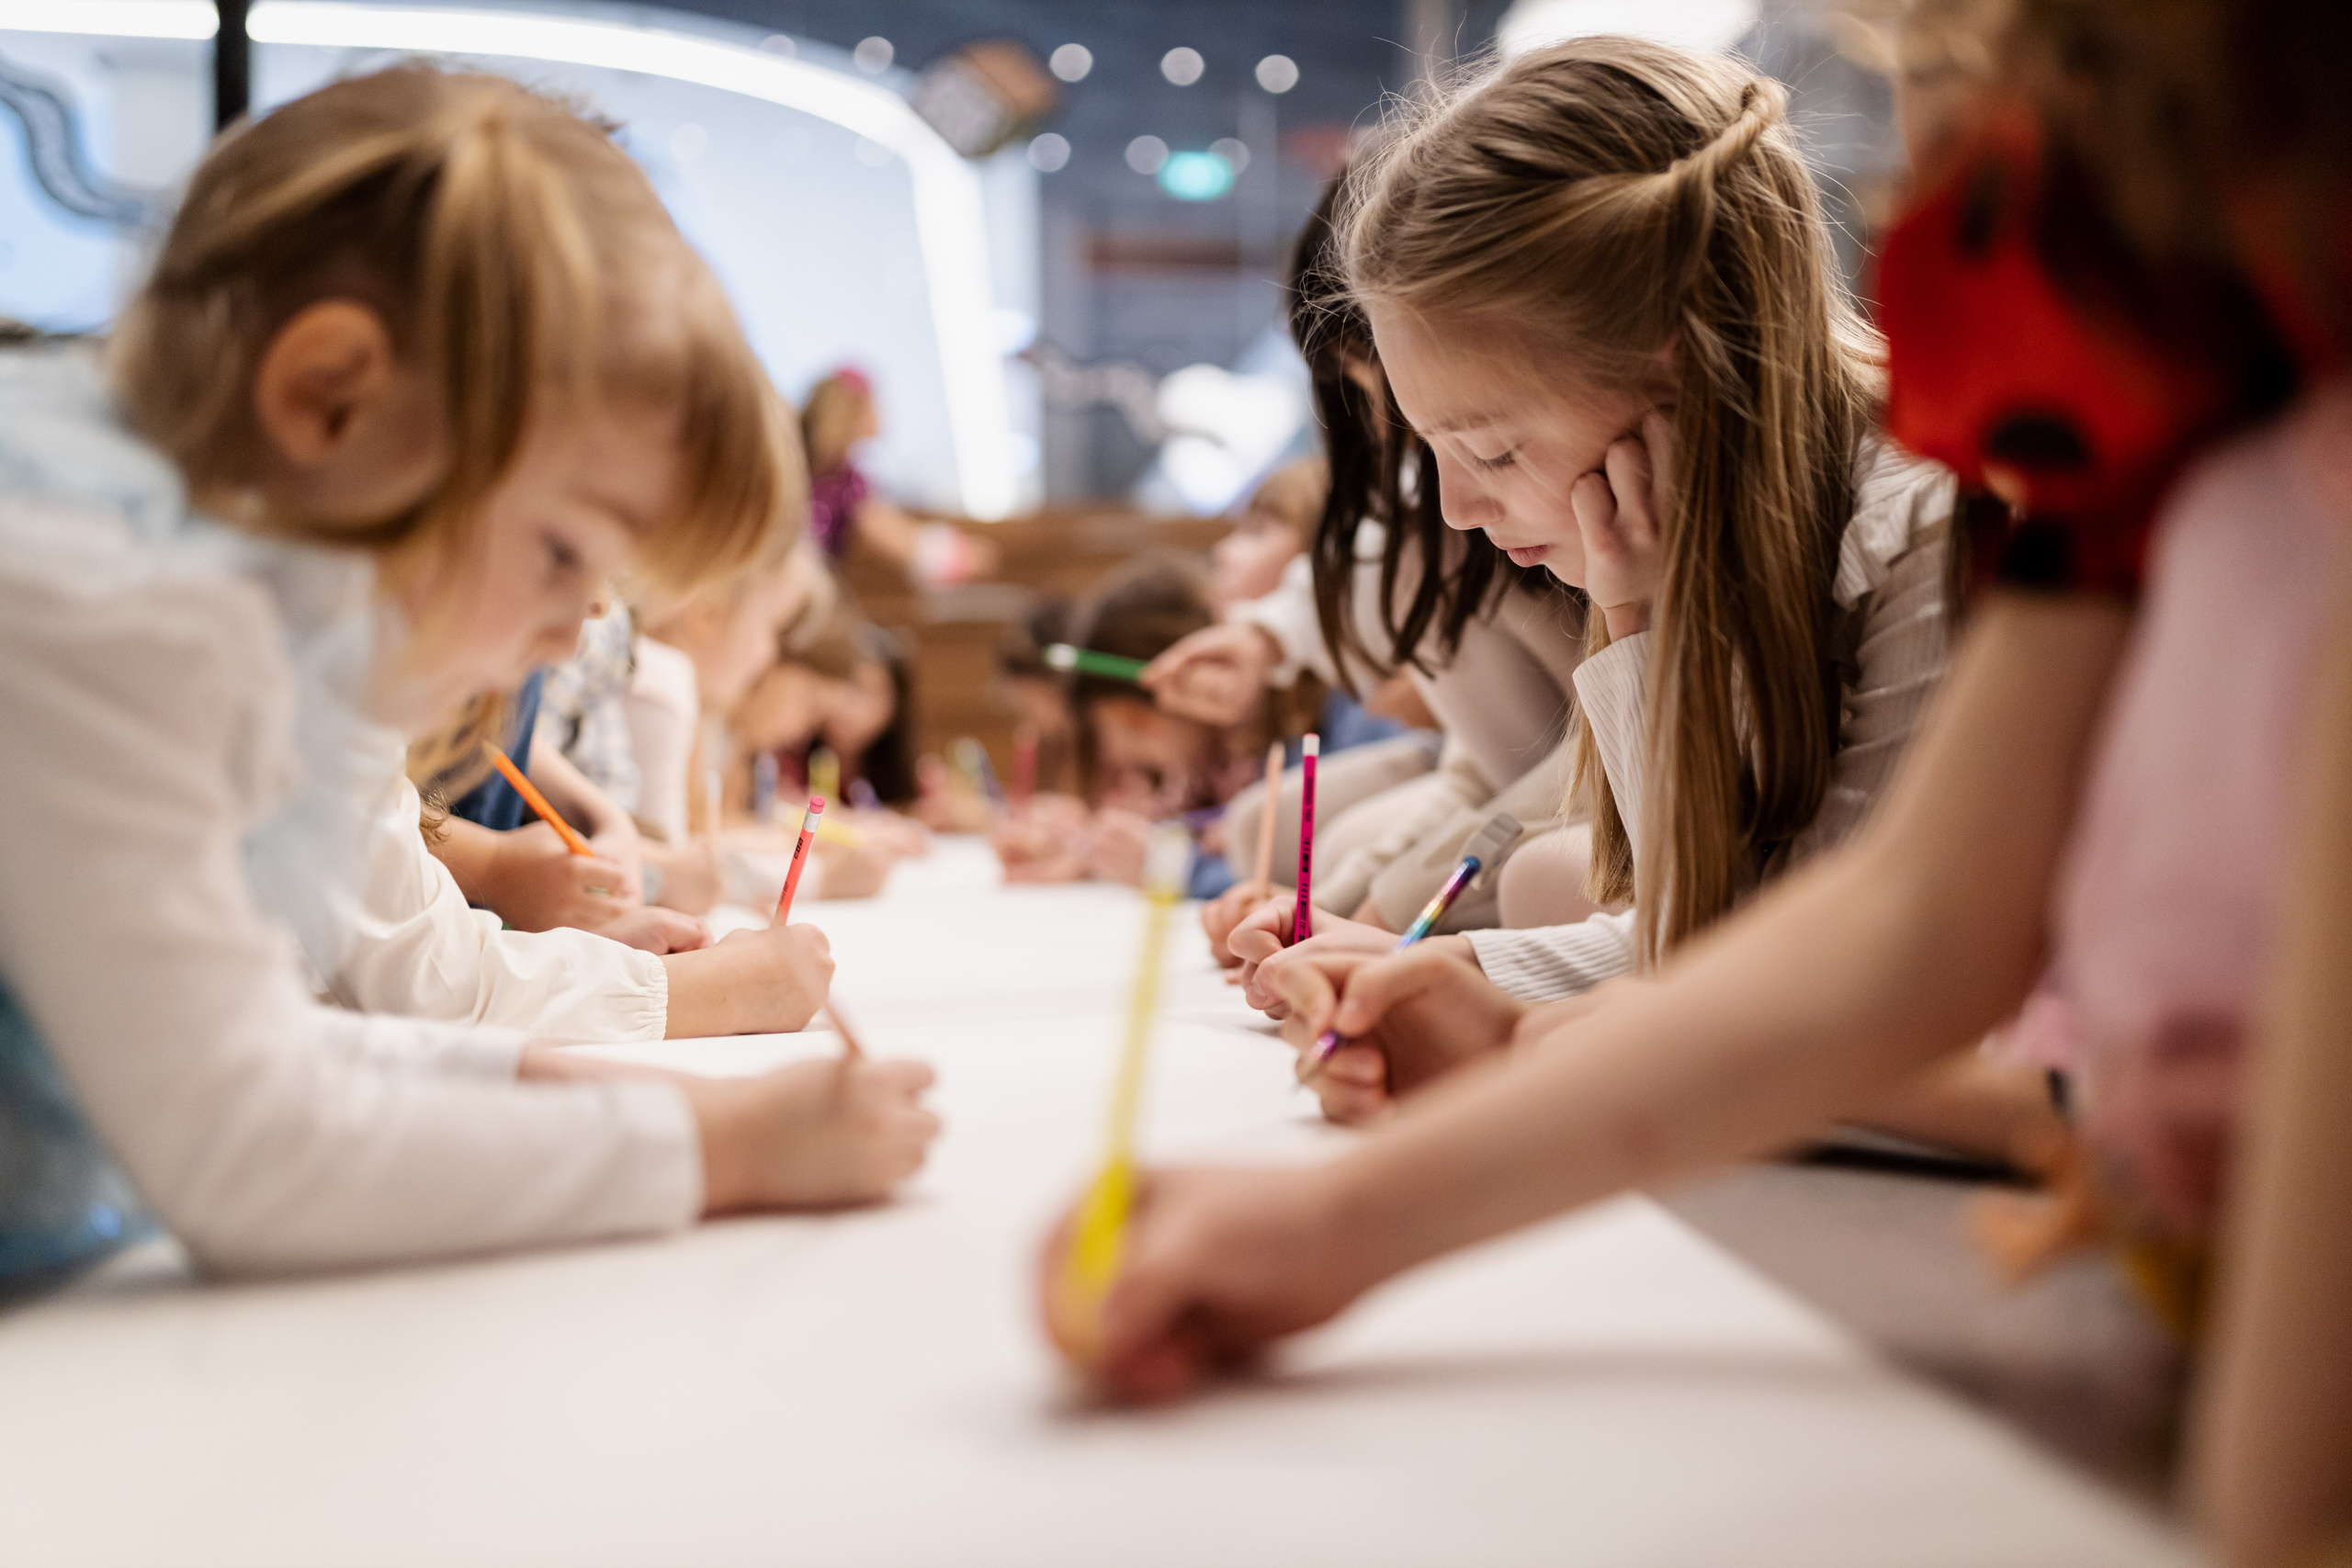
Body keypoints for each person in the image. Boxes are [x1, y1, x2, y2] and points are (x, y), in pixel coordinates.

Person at [1034, 33, 2098, 1395]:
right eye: (1434, 455)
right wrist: (1482, 980)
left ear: (1680, 372)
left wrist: (1643, 630)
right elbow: (1706, 950)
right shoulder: (1712, 542)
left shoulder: (1934, 527)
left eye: (1487, 451)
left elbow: (1795, 972)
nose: (1462, 510)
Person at [0, 66, 937, 1289]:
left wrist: (565, 1082)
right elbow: (245, 1144)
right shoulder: (101, 601)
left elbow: (280, 1043)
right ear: (330, 398)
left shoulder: (206, 607)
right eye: (560, 551)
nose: (572, 636)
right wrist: (725, 1140)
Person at [802, 367, 999, 589]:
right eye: (875, 405)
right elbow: (888, 534)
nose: (882, 413)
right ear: (854, 414)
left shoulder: (811, 465)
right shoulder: (846, 482)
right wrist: (960, 556)